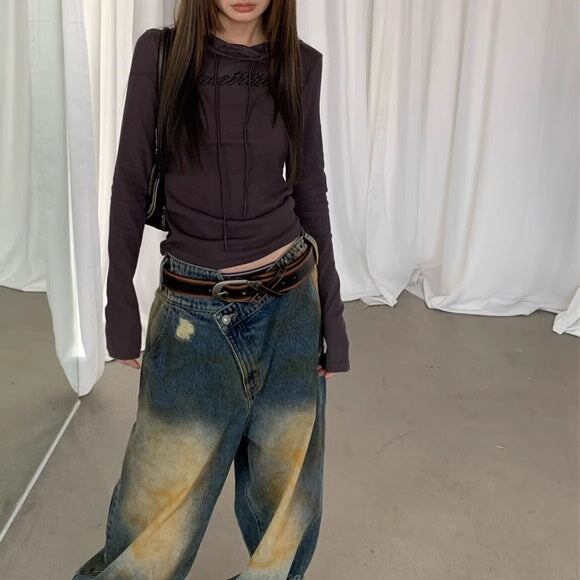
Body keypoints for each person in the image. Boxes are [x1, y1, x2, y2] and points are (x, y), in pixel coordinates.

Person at [73, 0, 349, 578]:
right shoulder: (161, 54)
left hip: (290, 308)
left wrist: (332, 315)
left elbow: (310, 189)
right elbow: (130, 181)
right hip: (193, 316)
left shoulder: (301, 64)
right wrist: (118, 303)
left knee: (287, 512)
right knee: (152, 523)